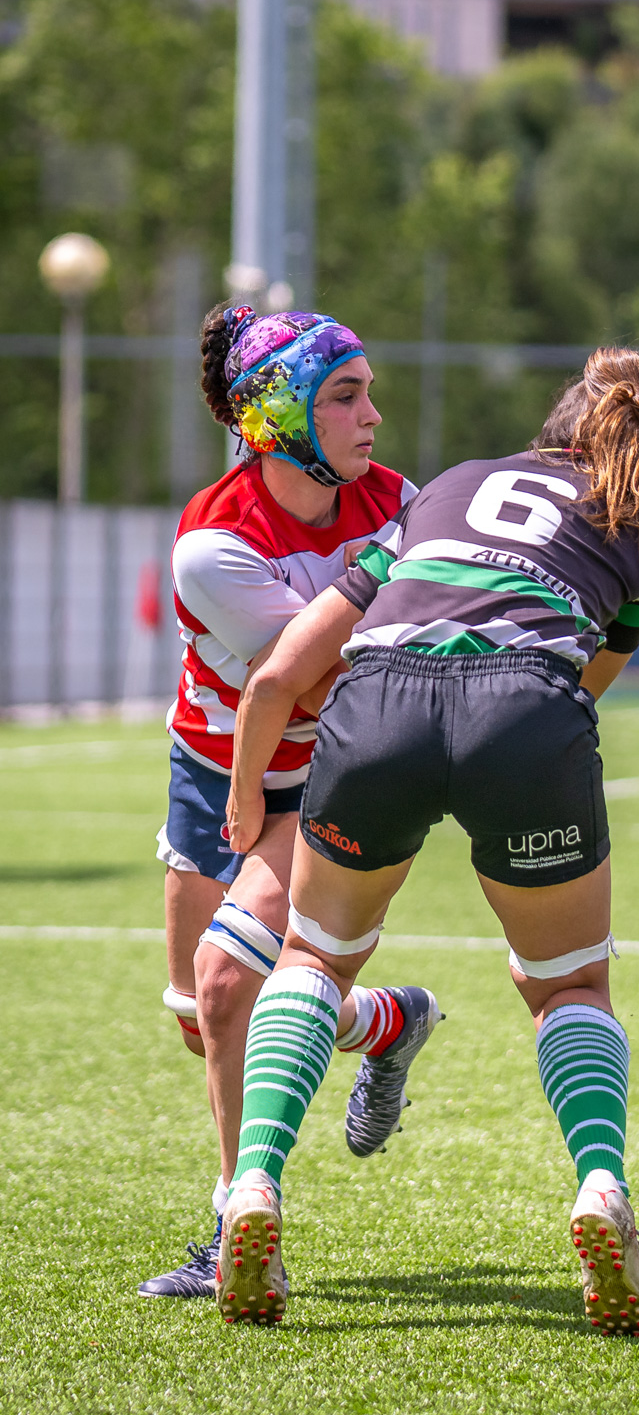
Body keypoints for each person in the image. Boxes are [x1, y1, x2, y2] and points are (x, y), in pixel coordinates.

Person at [212, 346, 639, 1334]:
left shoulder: (449, 487)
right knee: (566, 985)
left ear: (556, 424)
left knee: (312, 956)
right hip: (523, 707)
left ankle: (253, 1187)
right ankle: (599, 1188)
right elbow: (579, 689)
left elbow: (277, 678)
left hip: (376, 697)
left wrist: (245, 801)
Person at [138, 304, 444, 1302]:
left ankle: (235, 1223)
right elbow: (311, 677)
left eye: (368, 393)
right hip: (218, 771)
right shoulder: (213, 544)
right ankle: (379, 1024)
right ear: (277, 417)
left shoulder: (397, 500)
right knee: (198, 1017)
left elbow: (344, 700)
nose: (374, 418)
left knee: (229, 987)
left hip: (323, 774)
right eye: (346, 396)